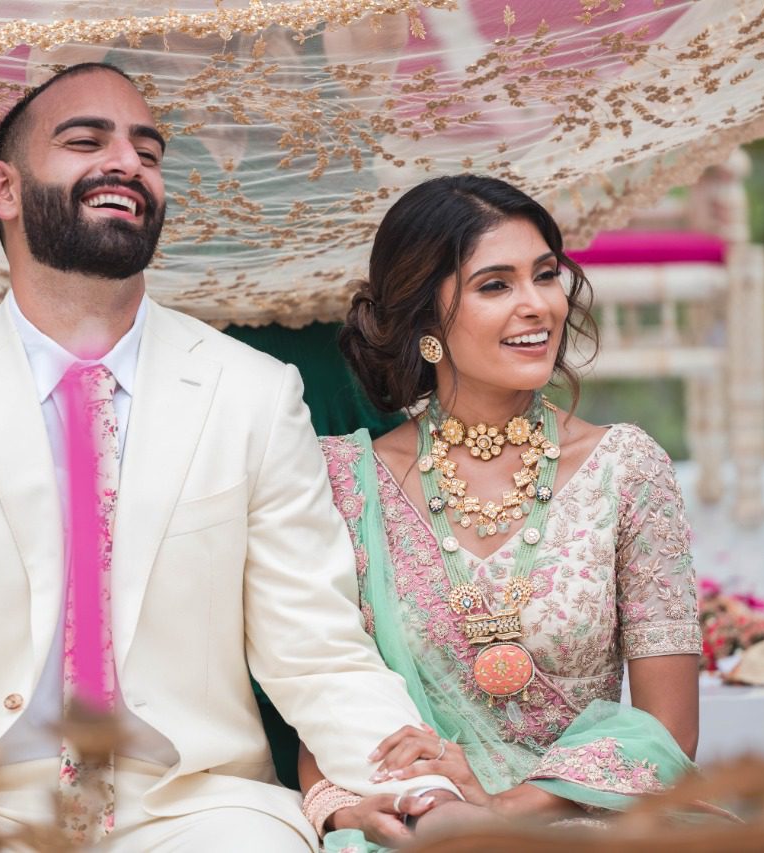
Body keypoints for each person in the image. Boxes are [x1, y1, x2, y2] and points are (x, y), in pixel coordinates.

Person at [0, 62, 459, 852]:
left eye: (148, 153)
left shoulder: (253, 395)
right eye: (86, 141)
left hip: (203, 809)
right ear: (3, 188)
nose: (127, 162)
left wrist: (419, 787)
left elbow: (317, 650)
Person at [300, 174, 702, 850]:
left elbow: (670, 731)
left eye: (545, 276)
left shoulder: (625, 468)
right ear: (425, 322)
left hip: (590, 824)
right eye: (495, 285)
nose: (538, 305)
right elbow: (321, 699)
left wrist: (503, 807)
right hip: (417, 827)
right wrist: (342, 812)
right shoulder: (345, 481)